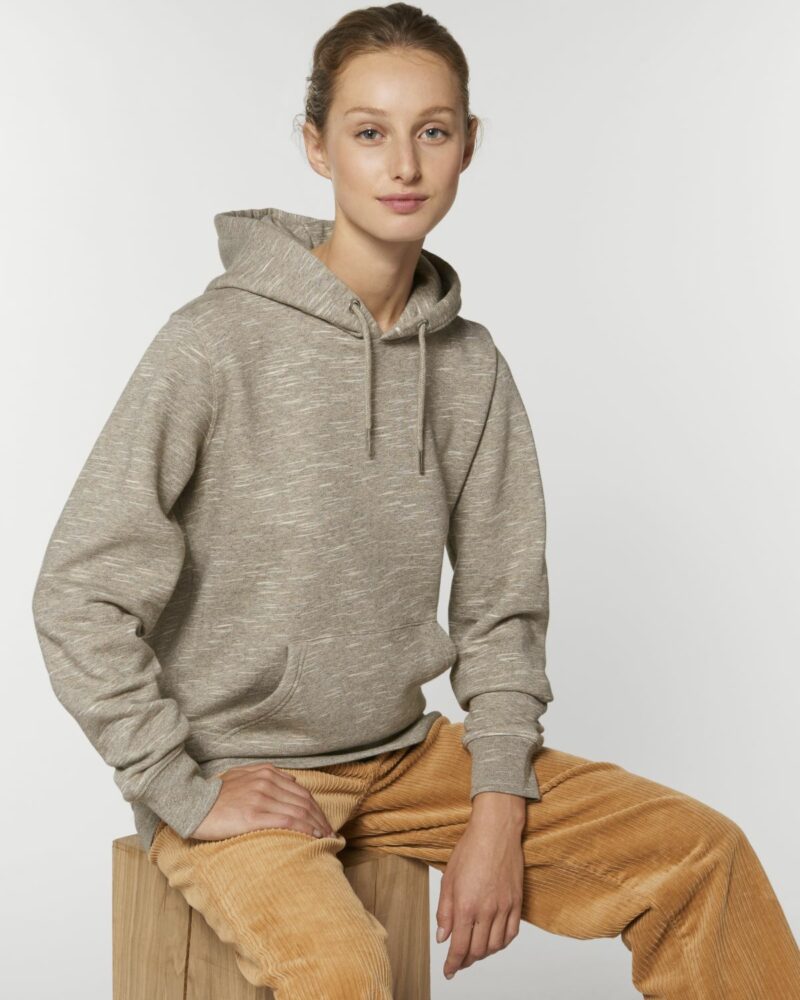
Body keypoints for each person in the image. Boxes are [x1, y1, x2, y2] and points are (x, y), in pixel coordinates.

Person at [31, 4, 799, 998]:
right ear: (317, 147)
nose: (402, 164)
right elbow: (79, 594)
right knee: (344, 970)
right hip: (238, 767)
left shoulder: (469, 366)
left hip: (404, 758)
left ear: (467, 144)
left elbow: (501, 609)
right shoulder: (212, 345)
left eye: (431, 131)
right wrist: (180, 785)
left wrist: (496, 807)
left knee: (701, 857)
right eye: (368, 132)